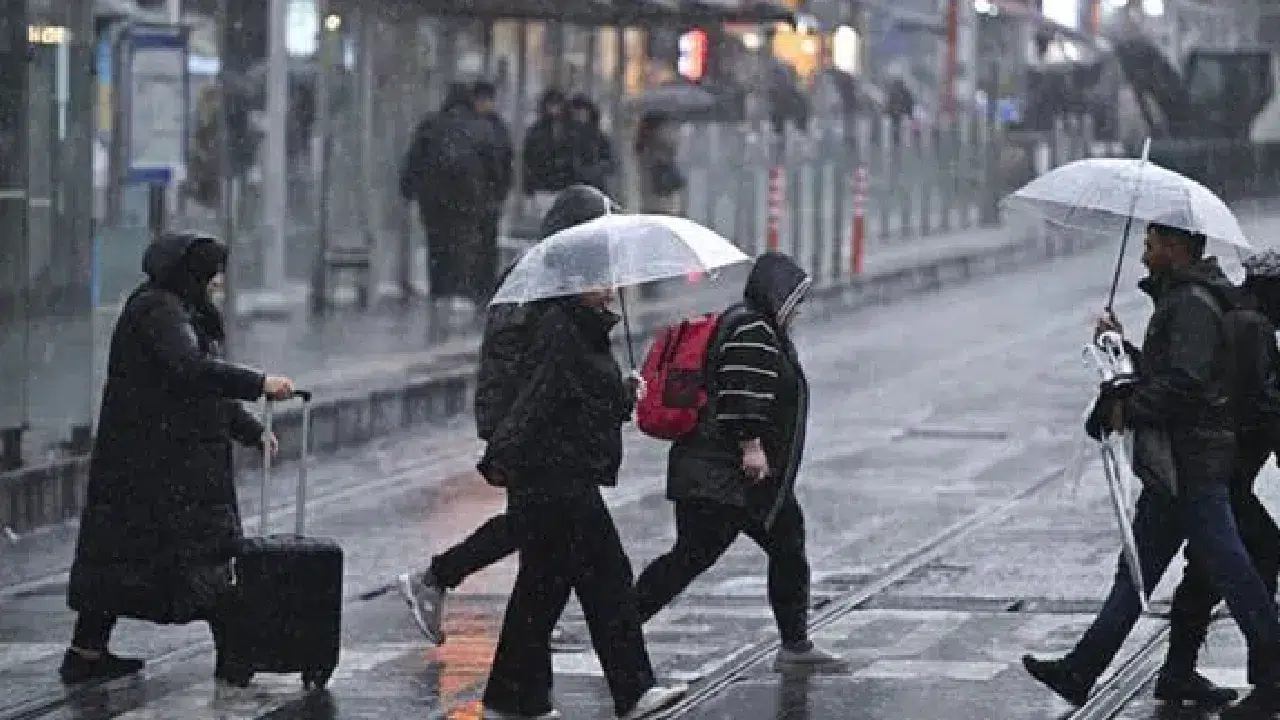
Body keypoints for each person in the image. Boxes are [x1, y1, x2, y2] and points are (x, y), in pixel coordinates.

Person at [1022, 220, 1280, 714]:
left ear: (1176, 248)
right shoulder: (1185, 299)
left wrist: (1130, 408)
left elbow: (1185, 384)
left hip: (1191, 466)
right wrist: (1121, 349)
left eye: (1151, 245)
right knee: (1137, 573)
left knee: (1233, 572)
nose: (1143, 256)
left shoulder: (1191, 304)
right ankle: (1081, 670)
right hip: (1177, 467)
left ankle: (1272, 671)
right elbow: (1176, 372)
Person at [61, 232, 295, 685]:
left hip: (151, 462)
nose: (218, 284)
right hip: (161, 466)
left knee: (121, 560)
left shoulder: (175, 309)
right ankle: (237, 657)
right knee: (196, 560)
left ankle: (87, 652)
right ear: (191, 275)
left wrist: (248, 428)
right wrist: (258, 382)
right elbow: (192, 372)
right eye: (212, 276)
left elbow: (199, 388)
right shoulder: (159, 311)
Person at [398, 185, 621, 646]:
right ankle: (439, 578)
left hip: (541, 430)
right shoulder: (540, 283)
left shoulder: (556, 280)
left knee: (541, 539)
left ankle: (520, 659)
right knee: (541, 530)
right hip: (534, 432)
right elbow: (530, 367)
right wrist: (507, 434)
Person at [476, 232, 686, 720]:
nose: (610, 288)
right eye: (599, 280)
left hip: (556, 474)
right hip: (555, 476)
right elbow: (539, 399)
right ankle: (633, 690)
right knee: (607, 577)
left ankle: (509, 698)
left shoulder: (581, 326)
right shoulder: (560, 328)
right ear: (572, 283)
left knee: (541, 589)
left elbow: (580, 397)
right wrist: (500, 454)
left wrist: (620, 391)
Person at [628, 251, 847, 674]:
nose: (798, 311)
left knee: (784, 544)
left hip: (737, 476)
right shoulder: (752, 330)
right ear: (777, 295)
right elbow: (742, 392)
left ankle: (795, 643)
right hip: (726, 475)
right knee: (692, 557)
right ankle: (620, 628)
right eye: (795, 300)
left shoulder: (752, 325)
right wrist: (751, 445)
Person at [1150, 249, 1280, 708]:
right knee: (1256, 556)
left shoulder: (1239, 319)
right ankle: (1269, 681)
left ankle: (1178, 671)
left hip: (1216, 468)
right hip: (1224, 470)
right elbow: (1258, 403)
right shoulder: (1254, 326)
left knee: (1207, 568)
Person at [400, 83, 488, 321]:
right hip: (466, 199)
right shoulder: (477, 127)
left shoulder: (431, 125)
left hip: (433, 200)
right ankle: (458, 292)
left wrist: (408, 189)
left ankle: (438, 292)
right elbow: (493, 161)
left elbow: (414, 159)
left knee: (436, 244)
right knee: (461, 245)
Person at [471, 80, 514, 304]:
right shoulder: (488, 128)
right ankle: (479, 288)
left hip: (487, 196)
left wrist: (500, 190)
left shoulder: (494, 128)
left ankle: (484, 288)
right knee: (479, 244)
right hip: (479, 196)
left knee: (487, 244)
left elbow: (505, 162)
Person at [522, 88, 576, 217]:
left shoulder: (571, 130)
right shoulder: (536, 131)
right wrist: (529, 188)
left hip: (565, 186)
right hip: (543, 186)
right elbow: (529, 160)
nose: (554, 109)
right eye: (551, 104)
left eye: (558, 105)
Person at [567, 93, 616, 193]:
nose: (580, 115)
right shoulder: (567, 135)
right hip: (571, 187)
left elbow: (610, 162)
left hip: (595, 187)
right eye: (576, 111)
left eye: (583, 111)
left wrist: (596, 169)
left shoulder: (598, 136)